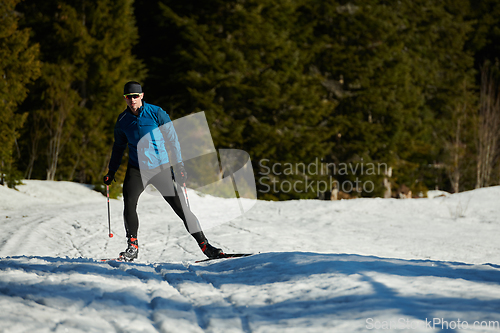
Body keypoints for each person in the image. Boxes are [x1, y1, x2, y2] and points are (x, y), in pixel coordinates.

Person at [103, 81, 224, 261]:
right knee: (129, 203)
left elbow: (172, 140)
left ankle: (206, 246)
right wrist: (111, 171)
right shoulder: (122, 121)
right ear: (125, 98)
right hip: (137, 170)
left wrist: (179, 166)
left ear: (142, 96)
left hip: (161, 169)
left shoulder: (156, 113)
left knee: (181, 209)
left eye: (135, 96)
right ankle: (132, 247)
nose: (132, 100)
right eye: (129, 97)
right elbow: (118, 147)